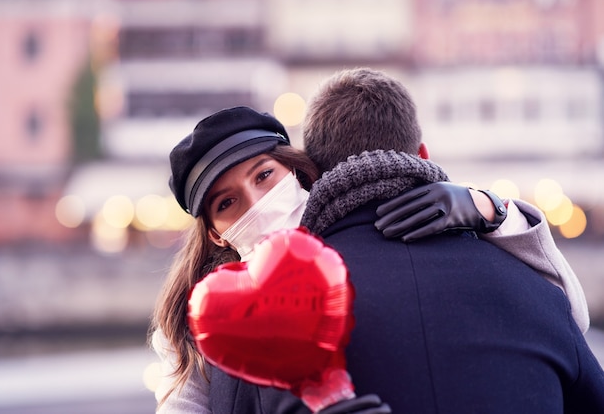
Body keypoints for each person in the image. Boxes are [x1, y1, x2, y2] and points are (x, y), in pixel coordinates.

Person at [152, 104, 594, 412]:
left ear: (299, 173)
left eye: (265, 176)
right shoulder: (209, 330)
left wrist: (493, 210)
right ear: (214, 233)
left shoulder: (364, 249)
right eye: (227, 203)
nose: (257, 204)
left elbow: (571, 311)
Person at [291, 67, 603, 412]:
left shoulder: (284, 313)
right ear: (423, 153)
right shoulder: (534, 290)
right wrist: (498, 211)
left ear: (310, 175)